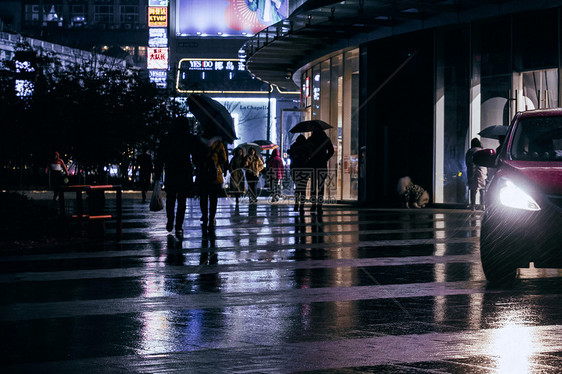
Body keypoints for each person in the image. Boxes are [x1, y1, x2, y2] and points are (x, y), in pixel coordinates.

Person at [155, 117, 196, 238]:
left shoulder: (168, 137)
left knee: (171, 198)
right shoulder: (189, 138)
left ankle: (170, 220)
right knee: (182, 200)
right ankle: (179, 225)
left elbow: (160, 156)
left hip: (171, 170)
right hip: (184, 171)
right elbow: (195, 154)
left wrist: (158, 172)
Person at [195, 136, 227, 231]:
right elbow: (224, 159)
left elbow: (195, 159)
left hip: (203, 175)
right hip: (215, 175)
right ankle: (212, 217)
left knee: (203, 197)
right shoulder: (218, 143)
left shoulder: (200, 142)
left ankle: (204, 216)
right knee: (213, 198)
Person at [306, 128, 334, 214]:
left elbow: (306, 151)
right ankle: (319, 206)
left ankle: (313, 204)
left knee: (313, 186)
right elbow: (331, 151)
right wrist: (325, 158)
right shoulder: (326, 139)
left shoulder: (310, 139)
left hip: (313, 165)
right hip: (322, 165)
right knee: (321, 187)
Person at [288, 134, 310, 212]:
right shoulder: (307, 147)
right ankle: (301, 205)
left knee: (297, 187)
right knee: (303, 188)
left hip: (295, 169)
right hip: (304, 170)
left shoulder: (293, 147)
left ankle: (296, 204)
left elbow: (291, 157)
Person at [465, 137, 487, 209]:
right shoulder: (482, 151)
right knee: (482, 189)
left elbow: (467, 162)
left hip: (472, 171)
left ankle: (473, 205)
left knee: (473, 189)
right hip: (482, 171)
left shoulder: (470, 152)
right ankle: (483, 205)